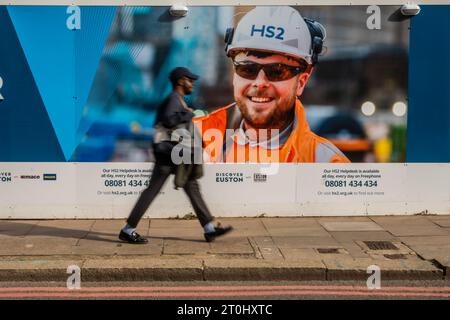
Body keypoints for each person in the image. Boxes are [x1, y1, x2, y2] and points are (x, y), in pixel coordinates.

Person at [193, 6, 350, 163]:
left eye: (277, 71)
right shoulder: (194, 143)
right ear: (235, 74)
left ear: (301, 83)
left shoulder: (328, 164)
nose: (260, 83)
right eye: (247, 69)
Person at [119, 67, 233, 244]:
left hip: (176, 154)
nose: (192, 84)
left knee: (191, 187)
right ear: (181, 81)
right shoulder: (173, 99)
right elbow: (168, 120)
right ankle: (128, 229)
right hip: (168, 154)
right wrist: (188, 113)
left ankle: (209, 228)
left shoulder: (177, 100)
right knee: (153, 191)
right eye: (190, 80)